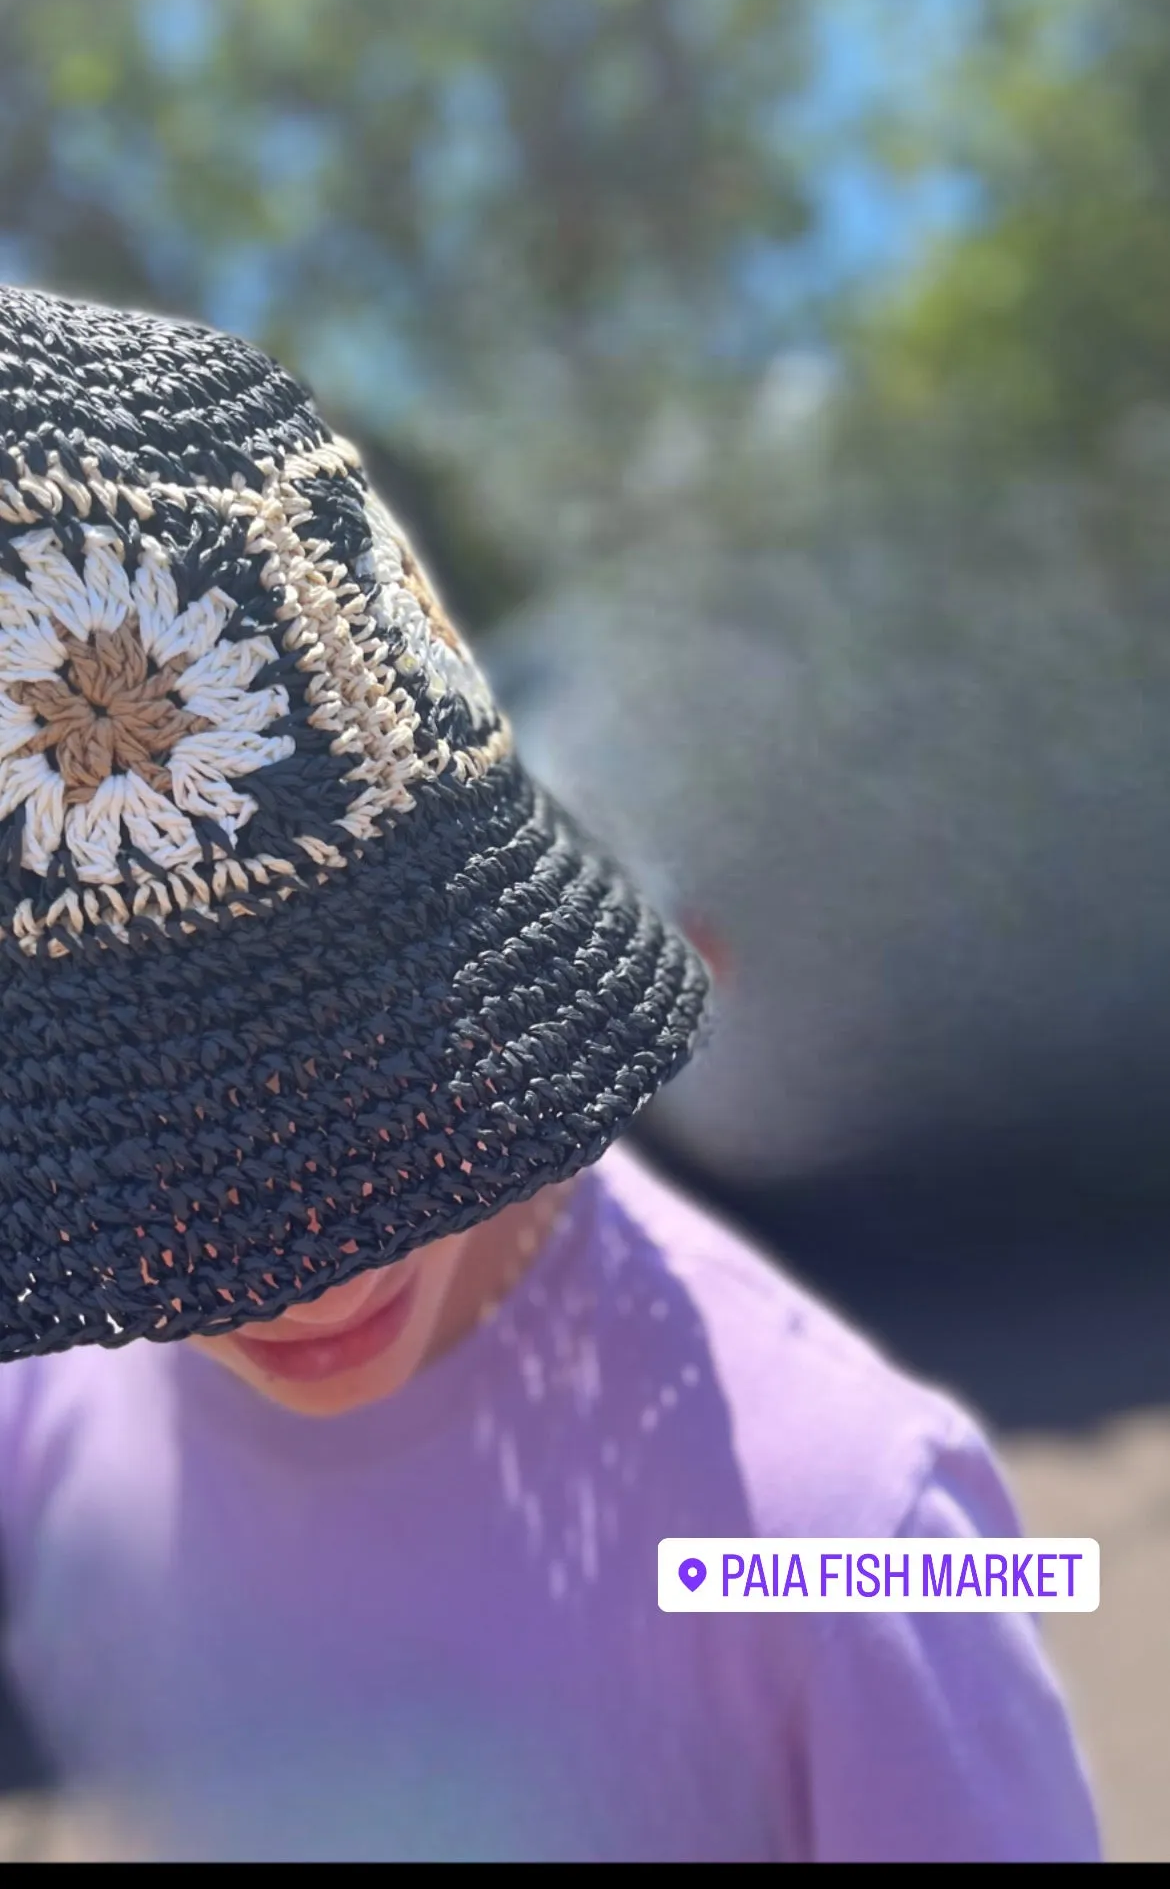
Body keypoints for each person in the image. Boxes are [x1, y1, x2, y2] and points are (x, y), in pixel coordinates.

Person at [0, 285, 1099, 1862]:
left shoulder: (849, 1523)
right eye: (147, 1143)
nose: (297, 1253)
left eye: (351, 1069)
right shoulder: (56, 1396)